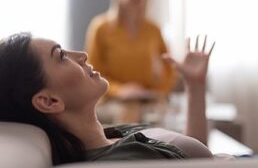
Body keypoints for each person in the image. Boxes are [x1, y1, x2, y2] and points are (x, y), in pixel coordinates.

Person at [0, 33, 214, 165]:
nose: (82, 54)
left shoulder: (115, 135)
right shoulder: (120, 162)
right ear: (49, 101)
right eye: (62, 56)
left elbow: (193, 159)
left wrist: (195, 86)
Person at [84, 0, 176, 123]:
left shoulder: (153, 29)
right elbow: (91, 71)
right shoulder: (100, 27)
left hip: (147, 98)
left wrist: (159, 92)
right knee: (130, 112)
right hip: (113, 99)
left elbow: (170, 66)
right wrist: (120, 91)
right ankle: (127, 147)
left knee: (167, 117)